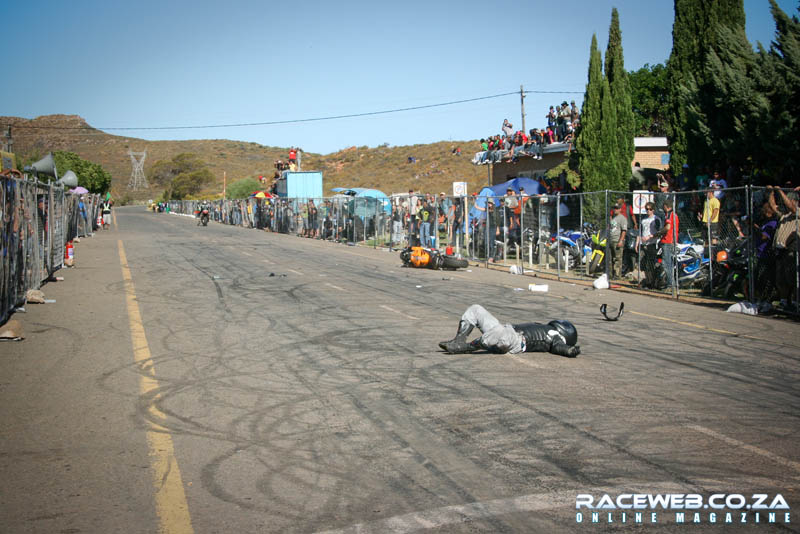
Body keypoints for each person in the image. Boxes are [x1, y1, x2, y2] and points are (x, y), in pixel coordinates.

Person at [438, 304, 580, 357]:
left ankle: (467, 347)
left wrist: (568, 350)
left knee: (500, 332)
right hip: (507, 329)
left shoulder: (557, 336)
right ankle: (458, 340)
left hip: (515, 341)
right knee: (476, 309)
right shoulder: (548, 327)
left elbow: (558, 347)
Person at [656, 198, 679, 289]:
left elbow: (668, 227)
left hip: (668, 241)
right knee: (669, 263)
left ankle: (671, 284)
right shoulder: (674, 215)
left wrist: (660, 232)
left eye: (664, 206)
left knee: (666, 263)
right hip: (671, 241)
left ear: (666, 207)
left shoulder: (670, 214)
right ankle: (671, 283)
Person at [608, 203, 628, 279]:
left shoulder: (622, 218)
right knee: (610, 259)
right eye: (614, 208)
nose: (615, 210)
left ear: (620, 209)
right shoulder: (613, 218)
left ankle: (617, 275)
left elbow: (624, 230)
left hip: (617, 240)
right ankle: (610, 274)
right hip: (611, 240)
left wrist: (621, 240)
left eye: (617, 208)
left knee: (617, 259)